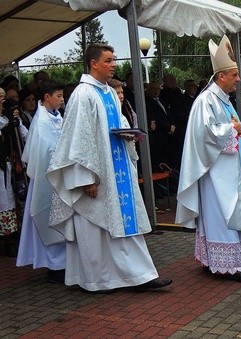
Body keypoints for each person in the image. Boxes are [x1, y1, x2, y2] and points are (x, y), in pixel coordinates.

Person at [46, 43, 172, 292]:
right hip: (97, 175)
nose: (114, 64)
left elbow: (117, 124)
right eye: (108, 60)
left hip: (117, 171)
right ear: (94, 63)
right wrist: (86, 179)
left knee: (124, 225)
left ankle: (138, 276)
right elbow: (78, 140)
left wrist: (129, 135)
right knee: (96, 229)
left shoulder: (110, 92)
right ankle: (97, 280)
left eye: (114, 59)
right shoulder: (84, 94)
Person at [175, 35, 241, 282]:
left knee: (227, 214)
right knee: (221, 214)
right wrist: (233, 131)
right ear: (221, 76)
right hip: (215, 173)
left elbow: (227, 127)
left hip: (227, 171)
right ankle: (228, 267)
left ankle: (216, 260)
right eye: (234, 75)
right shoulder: (206, 100)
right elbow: (205, 134)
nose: (239, 79)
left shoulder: (222, 100)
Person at [16, 80, 67, 283]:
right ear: (47, 97)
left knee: (60, 220)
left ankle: (63, 263)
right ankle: (54, 266)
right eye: (59, 96)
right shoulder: (42, 121)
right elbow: (44, 150)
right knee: (48, 219)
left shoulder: (56, 117)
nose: (63, 100)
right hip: (47, 179)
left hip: (60, 177)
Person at [0, 87, 28, 257]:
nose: (3, 102)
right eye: (1, 99)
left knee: (10, 200)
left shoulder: (8, 117)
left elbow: (26, 135)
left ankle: (11, 237)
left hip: (9, 165)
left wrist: (15, 120)